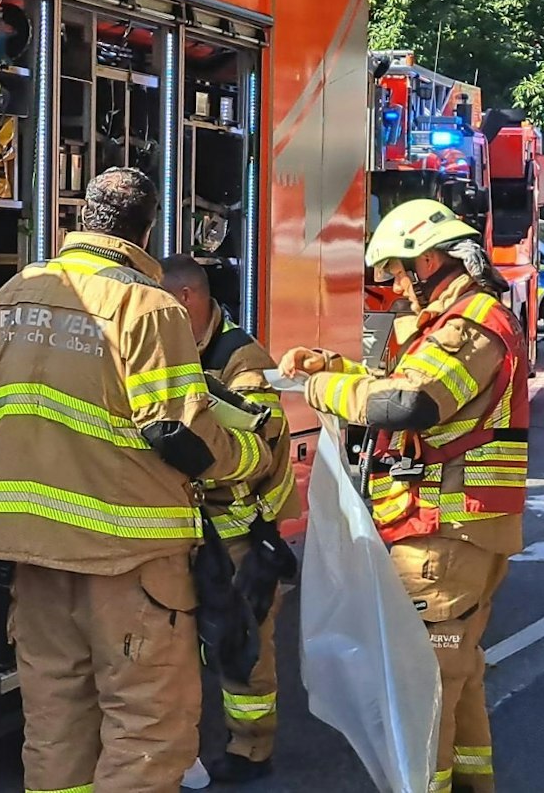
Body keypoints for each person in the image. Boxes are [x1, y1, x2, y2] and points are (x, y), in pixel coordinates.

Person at [0, 167, 278, 793]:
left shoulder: (15, 294)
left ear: (83, 218)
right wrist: (254, 456)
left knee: (56, 727)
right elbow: (178, 432)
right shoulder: (148, 306)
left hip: (33, 552)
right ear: (147, 231)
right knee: (147, 731)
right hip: (127, 557)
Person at [279, 198, 530, 793]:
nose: (394, 287)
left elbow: (411, 402)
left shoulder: (471, 325)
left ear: (430, 260)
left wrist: (320, 389)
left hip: (443, 532)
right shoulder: (451, 323)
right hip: (453, 531)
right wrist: (331, 366)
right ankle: (471, 782)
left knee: (424, 684)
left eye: (397, 271)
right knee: (456, 674)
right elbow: (398, 385)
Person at [159, 255, 297, 787]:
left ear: (187, 299)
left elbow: (259, 450)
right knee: (175, 644)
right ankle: (185, 748)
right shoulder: (171, 349)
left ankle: (251, 747)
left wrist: (195, 453)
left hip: (239, 532)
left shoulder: (242, 360)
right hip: (186, 528)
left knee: (243, 645)